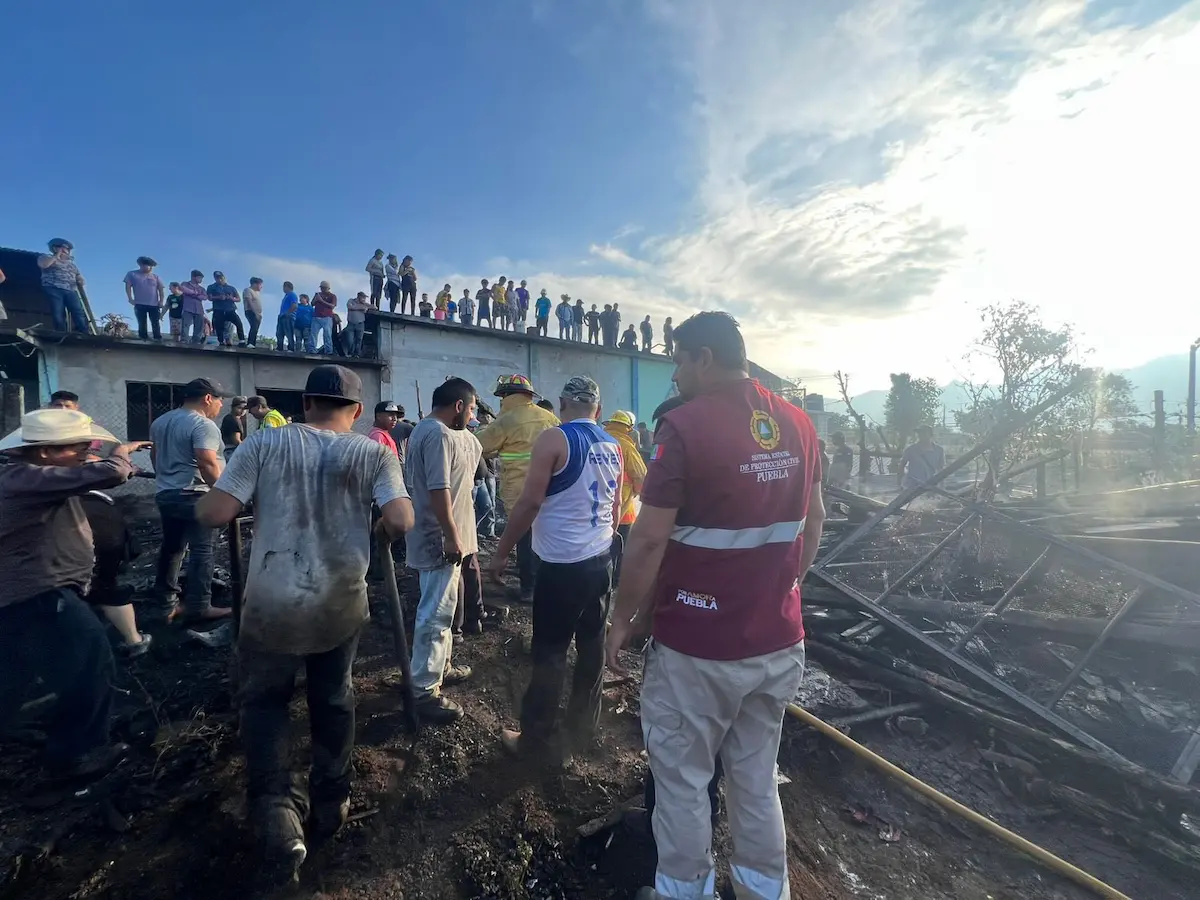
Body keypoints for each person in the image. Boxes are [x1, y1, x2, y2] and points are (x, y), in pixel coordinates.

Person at [604, 312, 824, 900]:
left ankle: (683, 891)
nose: (675, 376)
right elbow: (815, 522)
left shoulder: (686, 427)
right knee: (755, 775)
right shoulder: (799, 423)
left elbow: (648, 539)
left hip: (699, 648)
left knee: (681, 780)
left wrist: (621, 620)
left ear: (703, 357)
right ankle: (761, 889)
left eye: (678, 361)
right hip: (778, 641)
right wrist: (782, 586)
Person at [196, 365, 412, 874]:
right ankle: (331, 800)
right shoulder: (374, 451)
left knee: (266, 703)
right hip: (339, 601)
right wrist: (378, 525)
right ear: (357, 411)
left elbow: (215, 514)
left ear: (305, 402)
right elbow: (401, 520)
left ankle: (277, 813)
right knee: (333, 697)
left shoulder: (265, 443)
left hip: (271, 600)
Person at [0, 409, 149, 779]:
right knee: (89, 662)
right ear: (45, 452)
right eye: (77, 446)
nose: (86, 451)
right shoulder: (24, 478)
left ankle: (9, 730)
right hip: (38, 593)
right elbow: (112, 472)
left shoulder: (32, 474)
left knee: (13, 671)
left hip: (25, 595)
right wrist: (120, 455)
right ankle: (78, 754)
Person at [489, 376, 621, 760]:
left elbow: (529, 504)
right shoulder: (614, 445)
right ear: (598, 406)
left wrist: (501, 552)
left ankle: (535, 740)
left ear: (563, 403)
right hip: (600, 560)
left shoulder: (555, 438)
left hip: (563, 564)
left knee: (551, 651)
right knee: (592, 644)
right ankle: (582, 730)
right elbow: (613, 510)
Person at [404, 378, 482, 724]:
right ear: (459, 406)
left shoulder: (447, 434)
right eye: (474, 408)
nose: (474, 415)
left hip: (451, 536)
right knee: (434, 613)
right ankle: (424, 689)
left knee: (443, 609)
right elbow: (440, 489)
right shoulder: (435, 434)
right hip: (439, 538)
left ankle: (441, 665)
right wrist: (451, 536)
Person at [151, 378, 235, 624]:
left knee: (172, 548)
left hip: (167, 494)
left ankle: (166, 606)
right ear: (208, 398)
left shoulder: (161, 421)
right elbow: (206, 461)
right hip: (195, 494)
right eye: (220, 401)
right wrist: (223, 493)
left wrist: (167, 478)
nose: (221, 406)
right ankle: (199, 607)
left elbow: (156, 457)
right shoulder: (203, 424)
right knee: (202, 549)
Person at [476, 375, 559, 604]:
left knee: (525, 539)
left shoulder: (507, 420)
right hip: (551, 490)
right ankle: (548, 586)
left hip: (520, 491)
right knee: (546, 540)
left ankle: (530, 589)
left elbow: (480, 446)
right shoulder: (550, 417)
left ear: (506, 396)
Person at [602, 410, 646, 587]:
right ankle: (615, 580)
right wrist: (637, 491)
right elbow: (641, 475)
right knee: (620, 546)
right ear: (628, 428)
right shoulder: (626, 446)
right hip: (623, 506)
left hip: (597, 505)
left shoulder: (599, 440)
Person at [37, 238, 90, 334]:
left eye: (67, 250)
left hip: (70, 290)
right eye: (63, 249)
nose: (66, 251)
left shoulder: (72, 265)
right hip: (53, 288)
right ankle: (60, 332)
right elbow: (44, 265)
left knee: (78, 311)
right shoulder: (45, 257)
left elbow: (78, 276)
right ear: (55, 248)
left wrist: (81, 280)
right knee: (58, 312)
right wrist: (57, 255)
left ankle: (84, 331)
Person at [124, 256, 165, 341]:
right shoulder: (132, 274)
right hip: (139, 303)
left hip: (154, 304)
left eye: (151, 267)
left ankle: (157, 337)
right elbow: (128, 286)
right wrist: (130, 298)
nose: (150, 268)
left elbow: (161, 290)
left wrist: (161, 301)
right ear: (141, 265)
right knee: (142, 322)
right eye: (148, 266)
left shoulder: (155, 277)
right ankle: (143, 337)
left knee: (155, 322)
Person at [898, 424, 946, 490]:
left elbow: (940, 469)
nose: (921, 435)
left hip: (930, 486)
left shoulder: (939, 450)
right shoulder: (910, 449)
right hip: (912, 486)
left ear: (930, 435)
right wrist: (899, 483)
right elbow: (902, 465)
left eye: (924, 432)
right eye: (919, 433)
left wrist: (942, 486)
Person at [208, 271, 245, 347]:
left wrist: (231, 298)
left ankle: (242, 341)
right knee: (219, 327)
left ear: (224, 278)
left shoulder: (231, 288)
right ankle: (221, 341)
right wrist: (219, 297)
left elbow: (238, 299)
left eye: (221, 278)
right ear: (215, 278)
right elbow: (209, 297)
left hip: (230, 309)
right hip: (218, 309)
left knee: (239, 324)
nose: (220, 279)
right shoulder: (211, 287)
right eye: (217, 278)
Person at [178, 270, 208, 344]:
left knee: (199, 326)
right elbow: (184, 290)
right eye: (200, 278)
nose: (201, 280)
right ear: (194, 277)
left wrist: (192, 294)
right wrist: (196, 293)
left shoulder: (202, 288)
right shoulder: (185, 284)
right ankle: (184, 340)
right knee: (185, 325)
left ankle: (196, 341)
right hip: (188, 308)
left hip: (199, 309)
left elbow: (205, 297)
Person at [312, 282, 338, 354]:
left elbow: (332, 306)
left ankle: (328, 351)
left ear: (328, 288)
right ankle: (312, 350)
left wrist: (321, 301)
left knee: (327, 334)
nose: (322, 289)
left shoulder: (332, 296)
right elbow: (312, 304)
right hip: (316, 316)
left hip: (327, 317)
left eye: (323, 287)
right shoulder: (318, 294)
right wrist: (316, 299)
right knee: (313, 334)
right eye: (321, 287)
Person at [221, 397, 249, 461]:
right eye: (239, 408)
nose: (242, 411)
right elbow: (236, 441)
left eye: (244, 409)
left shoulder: (228, 417)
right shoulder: (233, 420)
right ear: (232, 407)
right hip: (231, 451)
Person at [344, 292, 369, 357]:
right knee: (350, 340)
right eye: (363, 297)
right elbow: (350, 307)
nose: (364, 299)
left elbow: (375, 307)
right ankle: (350, 353)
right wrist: (361, 307)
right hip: (351, 323)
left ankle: (356, 354)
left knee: (359, 340)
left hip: (360, 324)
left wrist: (365, 306)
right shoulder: (351, 300)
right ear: (359, 297)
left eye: (365, 298)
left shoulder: (364, 304)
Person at [243, 277, 265, 347]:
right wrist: (255, 312)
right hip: (250, 311)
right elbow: (250, 302)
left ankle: (253, 343)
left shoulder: (257, 293)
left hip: (258, 313)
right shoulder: (248, 290)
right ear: (255, 284)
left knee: (256, 329)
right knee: (254, 327)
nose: (261, 287)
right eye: (260, 285)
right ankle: (250, 343)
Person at [277, 282, 299, 352]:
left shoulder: (292, 295)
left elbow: (294, 305)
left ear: (287, 287)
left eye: (284, 287)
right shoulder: (286, 296)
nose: (283, 289)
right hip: (282, 316)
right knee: (279, 333)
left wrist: (288, 313)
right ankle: (279, 347)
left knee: (289, 332)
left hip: (288, 316)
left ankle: (291, 348)